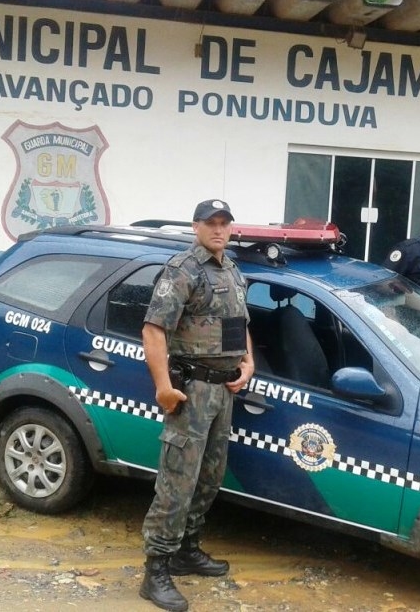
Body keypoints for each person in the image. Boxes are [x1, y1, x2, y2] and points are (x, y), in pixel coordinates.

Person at [139, 198, 254, 611]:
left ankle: (187, 549)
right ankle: (156, 570)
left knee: (209, 475)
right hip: (192, 391)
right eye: (211, 223)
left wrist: (248, 361)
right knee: (177, 479)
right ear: (196, 226)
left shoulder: (231, 268)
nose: (219, 229)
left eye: (224, 223)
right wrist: (162, 388)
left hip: (224, 391)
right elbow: (153, 331)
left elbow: (240, 324)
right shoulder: (182, 269)